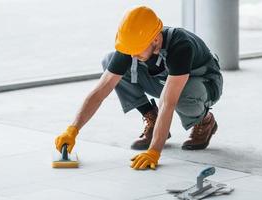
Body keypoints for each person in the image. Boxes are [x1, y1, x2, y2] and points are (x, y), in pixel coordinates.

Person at [55, 6, 223, 170]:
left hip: (204, 83)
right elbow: (100, 91)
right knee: (110, 62)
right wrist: (73, 129)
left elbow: (168, 102)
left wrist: (154, 151)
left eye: (136, 51)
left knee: (181, 96)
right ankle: (152, 118)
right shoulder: (133, 44)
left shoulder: (181, 45)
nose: (132, 55)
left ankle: (205, 120)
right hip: (165, 80)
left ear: (156, 40)